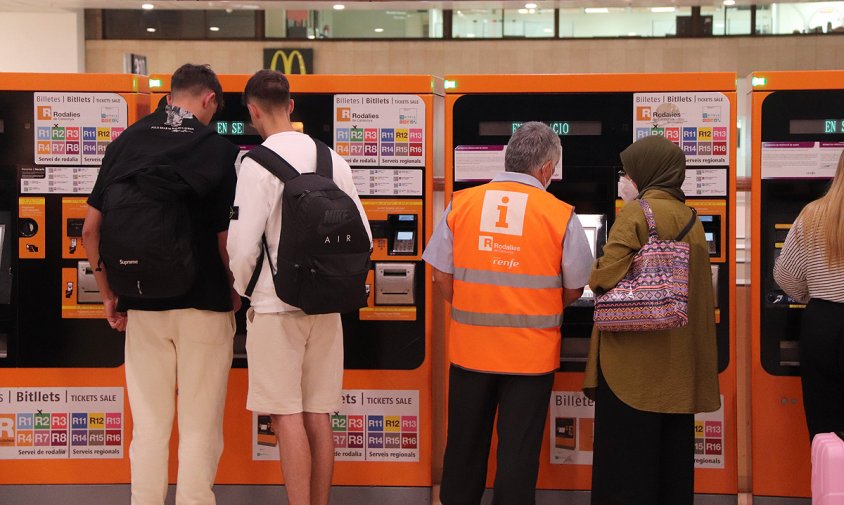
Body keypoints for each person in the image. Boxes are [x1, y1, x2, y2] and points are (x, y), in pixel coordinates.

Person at [82, 63, 240, 505]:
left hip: (142, 305)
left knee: (149, 425)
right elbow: (225, 236)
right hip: (204, 306)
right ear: (209, 99)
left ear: (171, 94)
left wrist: (110, 296)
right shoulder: (219, 150)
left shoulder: (125, 143)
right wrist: (233, 290)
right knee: (199, 424)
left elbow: (89, 232)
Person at [424, 122, 593, 505]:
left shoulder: (462, 203)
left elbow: (440, 275)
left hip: (470, 353)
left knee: (464, 448)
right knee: (518, 454)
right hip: (530, 359)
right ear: (547, 169)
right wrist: (540, 305)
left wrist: (474, 304)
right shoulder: (560, 214)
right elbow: (576, 286)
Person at [227, 70, 371, 505]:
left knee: (285, 415)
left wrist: (248, 291)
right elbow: (362, 233)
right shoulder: (333, 160)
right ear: (291, 105)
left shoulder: (255, 164)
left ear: (252, 112)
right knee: (318, 414)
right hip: (326, 307)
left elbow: (241, 244)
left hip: (276, 307)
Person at [583, 135, 720, 505]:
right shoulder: (692, 220)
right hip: (678, 370)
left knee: (626, 474)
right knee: (670, 472)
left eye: (628, 172)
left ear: (646, 172)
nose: (624, 179)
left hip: (633, 371)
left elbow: (602, 277)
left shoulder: (637, 212)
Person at [774, 150, 844, 441]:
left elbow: (785, 276)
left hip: (824, 325)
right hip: (824, 320)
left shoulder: (812, 214)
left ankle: (832, 486)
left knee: (825, 429)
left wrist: (809, 291)